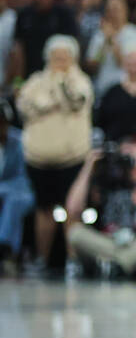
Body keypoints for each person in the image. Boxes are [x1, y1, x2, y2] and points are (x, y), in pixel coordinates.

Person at [14, 35, 93, 273]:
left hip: (73, 157)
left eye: (65, 56)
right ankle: (42, 258)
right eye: (56, 56)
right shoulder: (35, 82)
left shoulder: (81, 81)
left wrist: (59, 90)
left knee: (73, 210)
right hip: (39, 159)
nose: (60, 60)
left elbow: (78, 100)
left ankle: (73, 260)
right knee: (44, 210)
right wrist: (49, 101)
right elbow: (25, 104)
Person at [65, 141, 136, 277]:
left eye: (132, 159)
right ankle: (128, 263)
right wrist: (88, 167)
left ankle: (119, 264)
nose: (127, 165)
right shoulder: (103, 186)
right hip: (108, 242)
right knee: (75, 232)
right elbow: (72, 209)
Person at [84, 0, 136, 95]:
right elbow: (92, 66)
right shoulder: (100, 35)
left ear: (125, 11)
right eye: (109, 10)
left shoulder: (134, 34)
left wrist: (111, 39)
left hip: (127, 91)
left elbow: (123, 63)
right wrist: (104, 43)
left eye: (116, 10)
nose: (112, 14)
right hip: (102, 90)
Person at [0, 102, 35, 265]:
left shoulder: (20, 140)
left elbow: (23, 176)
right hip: (6, 189)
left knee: (14, 202)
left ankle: (6, 248)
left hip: (20, 190)